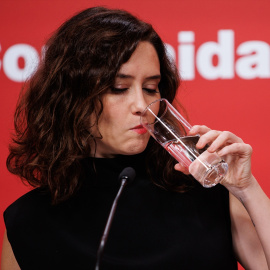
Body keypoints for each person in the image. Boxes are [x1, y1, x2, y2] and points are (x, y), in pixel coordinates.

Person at [1, 6, 270, 270]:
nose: (142, 104)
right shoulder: (28, 221)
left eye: (151, 88)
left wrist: (247, 189)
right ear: (72, 98)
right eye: (119, 88)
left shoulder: (206, 190)